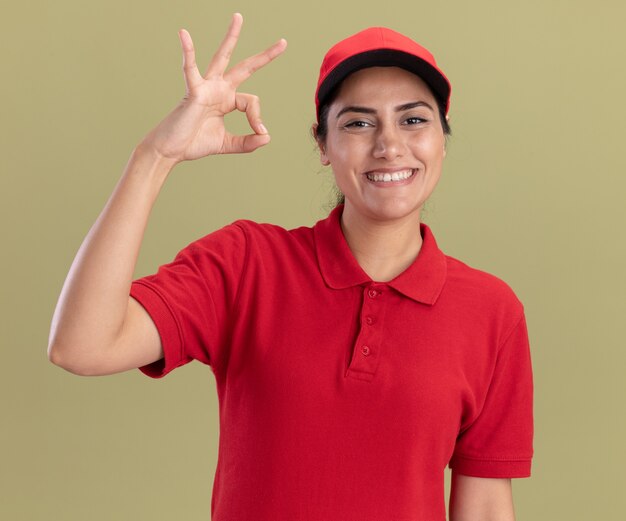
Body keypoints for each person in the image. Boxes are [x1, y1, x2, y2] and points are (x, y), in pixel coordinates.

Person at [48, 13, 533, 521]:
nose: (389, 144)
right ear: (323, 144)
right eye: (358, 122)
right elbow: (81, 346)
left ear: (442, 139)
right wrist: (156, 155)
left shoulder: (492, 312)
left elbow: (484, 505)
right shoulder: (245, 265)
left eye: (414, 119)